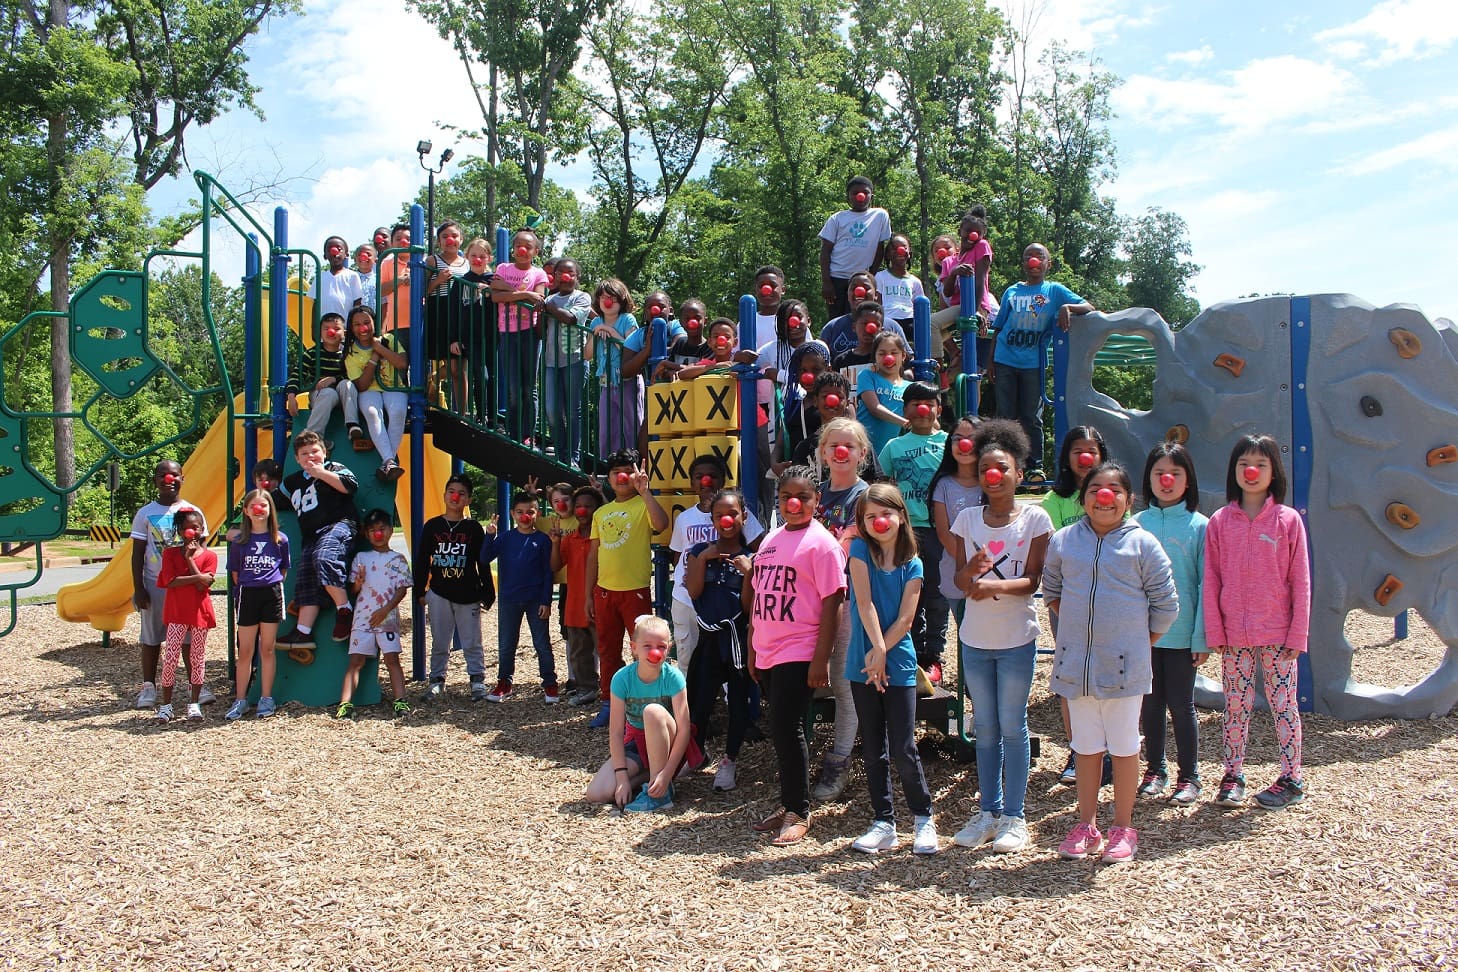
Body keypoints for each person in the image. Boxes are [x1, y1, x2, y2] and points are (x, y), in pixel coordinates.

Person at [1043, 462, 1179, 863]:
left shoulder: (1143, 544)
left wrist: (1137, 643)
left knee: (1123, 747)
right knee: (1085, 748)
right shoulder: (1065, 540)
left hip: (1124, 669)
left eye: (1114, 490)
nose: (1105, 497)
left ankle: (1123, 826)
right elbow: (1052, 589)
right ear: (1084, 499)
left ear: (1128, 499)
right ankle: (1086, 824)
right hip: (1076, 667)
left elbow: (1165, 604)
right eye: (1096, 489)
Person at [948, 420, 1052, 855]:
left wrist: (990, 586)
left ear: (1018, 473)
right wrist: (971, 573)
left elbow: (1032, 581)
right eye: (986, 466)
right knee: (984, 729)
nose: (993, 474)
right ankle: (987, 812)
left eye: (1002, 467)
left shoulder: (1035, 518)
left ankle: (1015, 816)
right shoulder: (967, 518)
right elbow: (959, 579)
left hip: (1016, 639)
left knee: (1013, 727)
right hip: (974, 638)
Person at [1205, 433, 1311, 811]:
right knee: (1236, 705)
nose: (1251, 471)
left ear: (1273, 471)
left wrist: (1298, 633)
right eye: (1243, 464)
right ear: (1234, 471)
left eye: (1260, 464)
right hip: (1234, 636)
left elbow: (1301, 580)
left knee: (1284, 705)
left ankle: (1291, 776)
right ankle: (1233, 774)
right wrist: (1215, 629)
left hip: (1279, 634)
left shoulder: (1288, 520)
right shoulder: (1220, 521)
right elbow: (1212, 578)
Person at [748, 466, 847, 846]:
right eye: (787, 495)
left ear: (816, 500)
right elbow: (759, 596)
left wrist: (821, 658)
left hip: (799, 649)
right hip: (769, 650)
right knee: (782, 729)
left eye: (803, 496)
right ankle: (789, 801)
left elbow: (833, 600)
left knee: (788, 730)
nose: (794, 502)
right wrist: (755, 648)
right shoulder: (771, 539)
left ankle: (799, 810)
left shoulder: (822, 544)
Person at [845, 482, 938, 855]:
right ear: (862, 522)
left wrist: (883, 653)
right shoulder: (858, 550)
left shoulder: (913, 562)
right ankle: (884, 821)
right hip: (863, 662)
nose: (879, 521)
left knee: (903, 746)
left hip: (896, 663)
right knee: (872, 747)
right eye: (871, 516)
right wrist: (876, 651)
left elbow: (907, 617)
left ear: (901, 516)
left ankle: (923, 816)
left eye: (886, 513)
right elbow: (864, 603)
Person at [1133, 442, 1208, 805]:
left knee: (1181, 704)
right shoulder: (1135, 525)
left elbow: (1206, 583)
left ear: (1188, 480)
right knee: (1150, 704)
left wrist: (1202, 636)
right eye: (1159, 473)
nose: (1167, 480)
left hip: (1181, 635)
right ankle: (1155, 769)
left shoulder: (1200, 526)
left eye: (1176, 473)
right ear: (1148, 478)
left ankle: (1189, 775)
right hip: (1143, 636)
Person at [1042, 424, 1113, 786]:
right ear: (1067, 459)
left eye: (1091, 451)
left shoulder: (1113, 494)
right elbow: (1054, 559)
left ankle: (1112, 752)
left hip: (1110, 606)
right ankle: (1079, 750)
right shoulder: (1053, 503)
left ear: (1101, 455)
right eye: (1076, 451)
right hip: (1068, 607)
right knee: (1074, 679)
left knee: (1108, 676)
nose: (1085, 458)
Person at [808, 415, 873, 802]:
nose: (841, 451)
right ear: (823, 452)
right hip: (809, 602)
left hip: (846, 601)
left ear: (862, 453)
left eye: (848, 445)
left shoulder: (867, 497)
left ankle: (840, 759)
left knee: (844, 682)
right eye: (833, 445)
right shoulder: (813, 495)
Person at [988, 244, 1094, 480]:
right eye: (1028, 257)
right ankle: (1006, 461)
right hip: (1005, 358)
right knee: (1005, 414)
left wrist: (1067, 307)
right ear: (1023, 263)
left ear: (1048, 264)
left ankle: (1034, 465)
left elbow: (1088, 307)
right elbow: (998, 328)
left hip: (1033, 363)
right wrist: (991, 362)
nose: (1034, 261)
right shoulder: (1012, 292)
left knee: (1031, 415)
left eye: (1039, 257)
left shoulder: (1053, 291)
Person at [586, 450, 669, 728]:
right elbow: (593, 556)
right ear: (608, 479)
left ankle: (645, 705)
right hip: (604, 592)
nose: (622, 477)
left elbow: (661, 524)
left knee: (643, 650)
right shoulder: (601, 512)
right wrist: (588, 593)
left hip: (634, 591)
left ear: (637, 474)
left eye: (628, 471)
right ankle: (610, 704)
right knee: (607, 650)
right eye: (616, 472)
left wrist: (645, 493)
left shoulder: (642, 505)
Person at [583, 615, 700, 813]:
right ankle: (650, 778)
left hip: (669, 743)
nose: (655, 652)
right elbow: (617, 733)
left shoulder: (673, 678)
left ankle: (661, 792)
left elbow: (683, 729)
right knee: (596, 793)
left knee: (653, 711)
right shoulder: (622, 679)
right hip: (637, 744)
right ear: (634, 647)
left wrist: (668, 772)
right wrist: (621, 779)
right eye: (647, 645)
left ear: (669, 647)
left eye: (661, 646)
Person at [683, 488, 756, 793]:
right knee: (698, 701)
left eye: (733, 514)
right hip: (709, 640)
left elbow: (748, 607)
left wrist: (750, 574)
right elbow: (695, 592)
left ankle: (730, 759)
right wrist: (704, 559)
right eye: (719, 515)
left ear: (743, 516)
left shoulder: (754, 556)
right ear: (712, 519)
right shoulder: (698, 551)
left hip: (739, 641)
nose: (726, 520)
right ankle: (695, 753)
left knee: (739, 702)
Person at [669, 454, 765, 679]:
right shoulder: (683, 518)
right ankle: (687, 707)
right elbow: (678, 555)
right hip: (685, 597)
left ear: (722, 480)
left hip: (721, 599)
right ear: (691, 483)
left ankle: (726, 703)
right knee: (686, 654)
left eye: (712, 476)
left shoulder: (741, 515)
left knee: (726, 656)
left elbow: (761, 547)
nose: (706, 481)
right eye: (699, 477)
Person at [877, 382, 949, 679]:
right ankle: (913, 649)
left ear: (938, 409)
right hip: (905, 530)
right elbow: (880, 483)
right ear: (904, 410)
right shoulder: (894, 446)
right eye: (915, 403)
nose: (923, 408)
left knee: (936, 592)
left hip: (938, 530)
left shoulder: (949, 442)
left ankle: (933, 654)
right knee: (909, 591)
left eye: (929, 403)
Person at [129, 459, 211, 709]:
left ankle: (193, 684)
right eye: (163, 475)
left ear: (182, 479)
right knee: (152, 637)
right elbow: (137, 554)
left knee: (188, 638)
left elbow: (203, 551)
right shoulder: (145, 513)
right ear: (156, 480)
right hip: (155, 584)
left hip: (186, 587)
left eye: (174, 475)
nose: (169, 480)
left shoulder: (192, 512)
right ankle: (148, 687)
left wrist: (199, 580)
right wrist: (139, 588)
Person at [277, 430, 359, 649]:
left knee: (325, 557)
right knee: (306, 581)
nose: (310, 457)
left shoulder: (333, 468)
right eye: (304, 454)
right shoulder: (292, 482)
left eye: (315, 451)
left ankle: (344, 609)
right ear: (297, 459)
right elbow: (272, 500)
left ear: (324, 452)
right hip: (311, 536)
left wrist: (320, 473)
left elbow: (350, 486)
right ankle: (303, 632)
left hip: (338, 525)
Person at [416, 475, 492, 701]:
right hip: (439, 592)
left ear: (468, 499)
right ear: (444, 494)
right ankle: (436, 679)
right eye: (451, 491)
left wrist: (487, 591)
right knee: (440, 640)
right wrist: (421, 590)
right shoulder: (432, 526)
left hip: (468, 593)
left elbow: (482, 562)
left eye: (461, 493)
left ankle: (477, 680)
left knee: (471, 640)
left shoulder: (473, 528)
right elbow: (422, 560)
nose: (455, 496)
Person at [481, 492, 558, 703]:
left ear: (537, 514)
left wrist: (546, 601)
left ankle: (550, 683)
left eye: (530, 512)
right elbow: (484, 557)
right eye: (520, 512)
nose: (525, 516)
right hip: (509, 599)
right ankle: (504, 682)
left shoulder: (542, 540)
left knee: (542, 643)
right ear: (513, 514)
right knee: (506, 644)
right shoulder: (505, 538)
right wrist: (489, 535)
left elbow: (547, 572)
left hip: (535, 600)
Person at [336, 509, 413, 720]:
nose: (378, 534)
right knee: (356, 661)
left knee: (392, 659)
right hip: (362, 618)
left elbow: (402, 589)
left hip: (387, 619)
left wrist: (385, 610)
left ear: (389, 530)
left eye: (382, 529)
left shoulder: (398, 559)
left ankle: (400, 701)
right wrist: (358, 582)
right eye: (372, 530)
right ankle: (345, 703)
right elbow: (353, 589)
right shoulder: (361, 557)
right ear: (366, 533)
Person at [225, 489, 289, 721]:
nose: (259, 509)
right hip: (247, 594)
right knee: (245, 650)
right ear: (246, 511)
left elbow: (282, 570)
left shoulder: (281, 540)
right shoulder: (239, 542)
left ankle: (266, 698)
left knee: (268, 648)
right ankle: (241, 699)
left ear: (270, 509)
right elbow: (234, 573)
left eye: (263, 505)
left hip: (271, 594)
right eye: (254, 505)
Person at [153, 508, 218, 724]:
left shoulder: (209, 556)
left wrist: (190, 561)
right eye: (186, 528)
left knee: (197, 658)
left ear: (201, 530)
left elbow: (205, 585)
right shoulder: (169, 554)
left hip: (199, 613)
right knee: (170, 658)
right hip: (177, 613)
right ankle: (166, 705)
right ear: (180, 531)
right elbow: (169, 581)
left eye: (196, 527)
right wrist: (197, 577)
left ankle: (194, 704)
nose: (191, 531)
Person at [490, 227, 550, 442]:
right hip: (507, 333)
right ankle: (513, 433)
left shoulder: (539, 273)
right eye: (518, 246)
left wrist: (508, 292)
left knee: (528, 388)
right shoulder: (503, 268)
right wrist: (525, 293)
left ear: (535, 251)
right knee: (513, 389)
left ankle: (528, 434)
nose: (522, 250)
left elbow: (539, 300)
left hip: (530, 334)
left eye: (528, 247)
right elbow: (495, 297)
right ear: (513, 248)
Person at [928, 415, 985, 625]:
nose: (964, 444)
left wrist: (985, 566)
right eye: (957, 438)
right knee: (965, 629)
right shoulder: (943, 485)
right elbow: (944, 533)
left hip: (993, 569)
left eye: (972, 438)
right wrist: (969, 567)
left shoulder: (991, 482)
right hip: (955, 571)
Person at [552, 484, 604, 707]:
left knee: (605, 648)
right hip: (574, 603)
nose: (583, 511)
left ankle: (611, 691)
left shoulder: (604, 536)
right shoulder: (570, 539)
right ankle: (586, 688)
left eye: (589, 507)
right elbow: (555, 565)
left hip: (599, 602)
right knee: (578, 651)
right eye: (579, 506)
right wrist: (555, 543)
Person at [344, 305, 409, 483]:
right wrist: (374, 357)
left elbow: (402, 364)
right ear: (351, 328)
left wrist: (379, 347)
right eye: (356, 324)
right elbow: (363, 385)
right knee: (372, 412)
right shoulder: (351, 351)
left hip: (394, 387)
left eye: (366, 322)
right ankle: (390, 462)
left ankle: (387, 462)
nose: (362, 327)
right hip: (370, 390)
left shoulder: (390, 338)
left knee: (397, 412)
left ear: (374, 322)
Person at [541, 257, 592, 467]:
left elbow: (571, 319)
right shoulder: (549, 299)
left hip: (575, 359)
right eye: (561, 272)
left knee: (573, 411)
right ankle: (561, 452)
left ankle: (573, 456)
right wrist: (541, 312)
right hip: (551, 361)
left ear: (576, 277)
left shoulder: (582, 297)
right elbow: (540, 331)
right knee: (552, 411)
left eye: (570, 273)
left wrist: (546, 305)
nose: (565, 277)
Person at [931, 207, 997, 365]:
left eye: (977, 233)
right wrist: (954, 273)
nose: (972, 236)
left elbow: (981, 280)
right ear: (960, 231)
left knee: (931, 323)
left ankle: (937, 367)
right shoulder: (949, 261)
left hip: (973, 304)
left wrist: (976, 310)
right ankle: (946, 371)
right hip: (958, 308)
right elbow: (947, 292)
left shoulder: (981, 246)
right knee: (927, 332)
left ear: (982, 234)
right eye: (968, 231)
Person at [584, 279, 642, 456]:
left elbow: (630, 351)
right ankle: (608, 464)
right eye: (603, 297)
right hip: (606, 381)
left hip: (627, 380)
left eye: (612, 298)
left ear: (622, 300)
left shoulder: (627, 319)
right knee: (607, 428)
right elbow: (587, 355)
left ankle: (634, 462)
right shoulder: (596, 323)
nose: (607, 302)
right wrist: (597, 332)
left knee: (631, 425)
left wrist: (610, 332)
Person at [819, 175, 891, 316]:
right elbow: (825, 251)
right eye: (855, 193)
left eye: (865, 192)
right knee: (837, 317)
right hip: (837, 277)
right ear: (849, 197)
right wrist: (826, 282)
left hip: (862, 279)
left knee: (862, 316)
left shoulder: (880, 216)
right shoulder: (837, 218)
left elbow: (880, 248)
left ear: (872, 195)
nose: (861, 196)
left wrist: (871, 275)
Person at [790, 373, 884, 480]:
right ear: (815, 401)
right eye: (825, 396)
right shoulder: (804, 447)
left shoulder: (860, 444)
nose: (832, 400)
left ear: (848, 402)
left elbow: (875, 482)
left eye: (839, 397)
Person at [285, 312, 357, 441]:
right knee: (329, 393)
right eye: (326, 329)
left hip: (344, 398)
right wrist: (291, 397)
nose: (331, 332)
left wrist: (334, 379)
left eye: (336, 329)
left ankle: (353, 425)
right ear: (320, 332)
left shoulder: (349, 352)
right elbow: (297, 374)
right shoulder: (313, 353)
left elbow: (355, 375)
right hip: (321, 396)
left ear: (344, 333)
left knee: (347, 384)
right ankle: (313, 437)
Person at [424, 220, 470, 409]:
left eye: (454, 236)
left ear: (461, 239)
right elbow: (422, 292)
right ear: (439, 241)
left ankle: (462, 411)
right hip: (439, 312)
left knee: (458, 368)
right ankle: (430, 389)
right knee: (445, 360)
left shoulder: (467, 262)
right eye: (445, 237)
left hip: (460, 314)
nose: (450, 240)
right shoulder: (432, 261)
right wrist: (438, 280)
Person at [820, 275, 907, 363]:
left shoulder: (892, 327)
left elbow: (907, 359)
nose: (859, 291)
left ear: (876, 294)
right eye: (854, 288)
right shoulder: (832, 327)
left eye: (866, 287)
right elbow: (821, 362)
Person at [856, 331, 911, 457]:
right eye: (882, 353)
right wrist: (906, 423)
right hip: (863, 450)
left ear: (903, 356)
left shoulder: (909, 388)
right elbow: (874, 408)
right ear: (874, 356)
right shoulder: (867, 376)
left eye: (894, 353)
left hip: (888, 454)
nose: (888, 358)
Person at [874, 233, 925, 331]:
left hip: (911, 321)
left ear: (909, 252)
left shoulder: (915, 282)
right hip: (888, 321)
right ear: (888, 254)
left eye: (904, 248)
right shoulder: (880, 277)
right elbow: (877, 304)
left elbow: (920, 308)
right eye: (894, 248)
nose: (899, 251)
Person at [311, 235, 365, 322]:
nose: (334, 252)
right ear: (325, 255)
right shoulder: (319, 278)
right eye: (330, 250)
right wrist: (314, 329)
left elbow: (357, 303)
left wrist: (352, 325)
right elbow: (315, 305)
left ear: (346, 254)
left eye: (339, 249)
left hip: (346, 326)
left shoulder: (352, 276)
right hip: (324, 328)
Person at [378, 223, 414, 337]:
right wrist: (398, 281)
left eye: (408, 239)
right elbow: (381, 291)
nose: (404, 242)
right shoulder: (387, 263)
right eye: (398, 239)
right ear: (392, 243)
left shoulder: (423, 262)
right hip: (396, 324)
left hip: (420, 321)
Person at [353, 243, 377, 311]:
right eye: (360, 255)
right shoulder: (349, 278)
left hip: (375, 319)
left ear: (375, 260)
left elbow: (384, 303)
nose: (363, 256)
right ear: (355, 259)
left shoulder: (379, 279)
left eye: (368, 254)